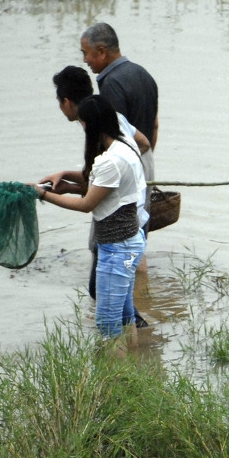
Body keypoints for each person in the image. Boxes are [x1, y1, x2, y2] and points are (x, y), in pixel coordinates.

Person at [32, 95, 146, 341]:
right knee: (126, 317)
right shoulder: (125, 143)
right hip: (130, 241)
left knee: (107, 324)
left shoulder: (110, 161)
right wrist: (66, 181)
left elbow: (87, 204)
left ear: (89, 124)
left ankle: (117, 378)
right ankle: (135, 368)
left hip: (117, 250)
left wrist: (42, 194)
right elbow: (103, 187)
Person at [80, 24, 158, 223]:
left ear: (102, 52)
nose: (85, 60)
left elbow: (113, 136)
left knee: (112, 235)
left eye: (86, 53)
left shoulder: (112, 84)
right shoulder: (143, 74)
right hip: (144, 159)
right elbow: (155, 125)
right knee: (137, 231)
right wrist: (143, 164)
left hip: (124, 170)